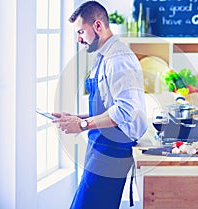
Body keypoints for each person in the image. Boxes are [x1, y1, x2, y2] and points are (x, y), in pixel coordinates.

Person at [52, 1, 148, 209]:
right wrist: (78, 118)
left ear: (97, 26)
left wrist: (83, 125)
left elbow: (125, 111)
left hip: (112, 149)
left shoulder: (118, 59)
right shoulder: (103, 56)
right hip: (101, 146)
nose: (78, 39)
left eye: (80, 32)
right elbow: (108, 106)